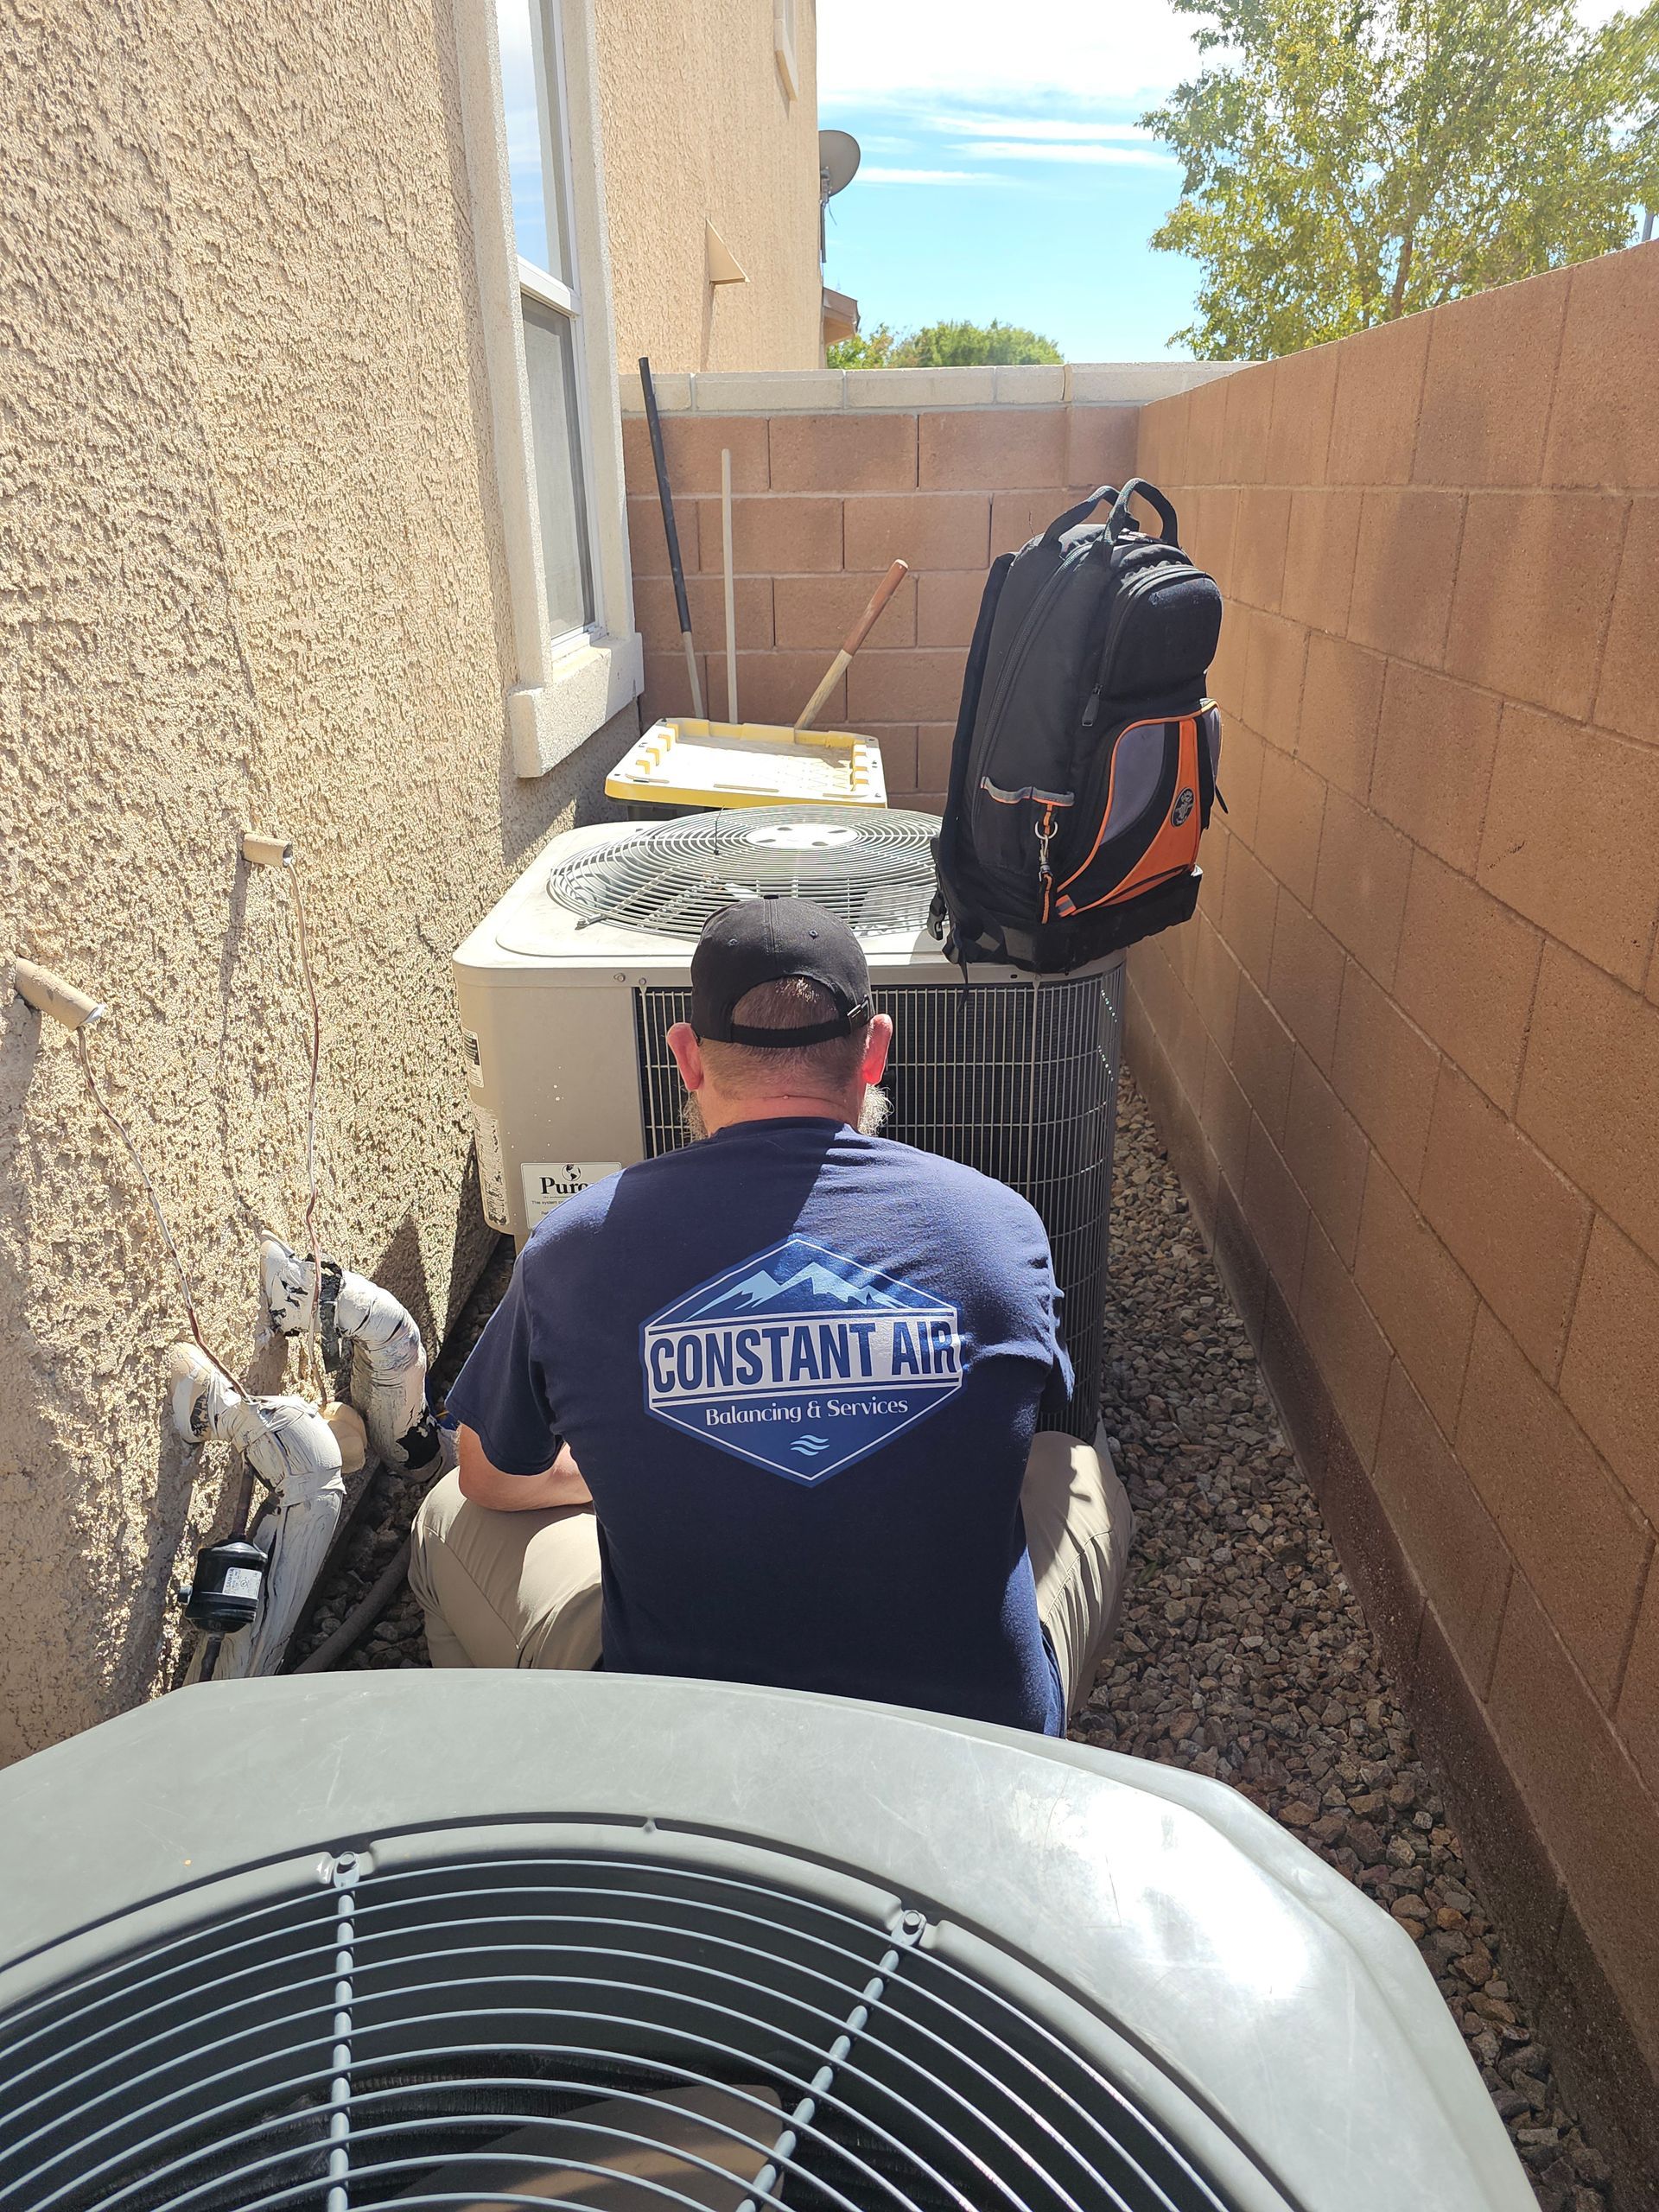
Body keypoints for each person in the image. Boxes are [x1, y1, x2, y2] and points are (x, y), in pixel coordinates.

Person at [410, 896, 1131, 1734]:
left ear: (683, 1056)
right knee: (1077, 1463)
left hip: (695, 1761)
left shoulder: (572, 1249)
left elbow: (487, 1475)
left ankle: (510, 1779)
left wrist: (630, 1462)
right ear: (876, 1052)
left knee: (444, 1516)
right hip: (973, 1757)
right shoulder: (1000, 1228)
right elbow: (1022, 1422)